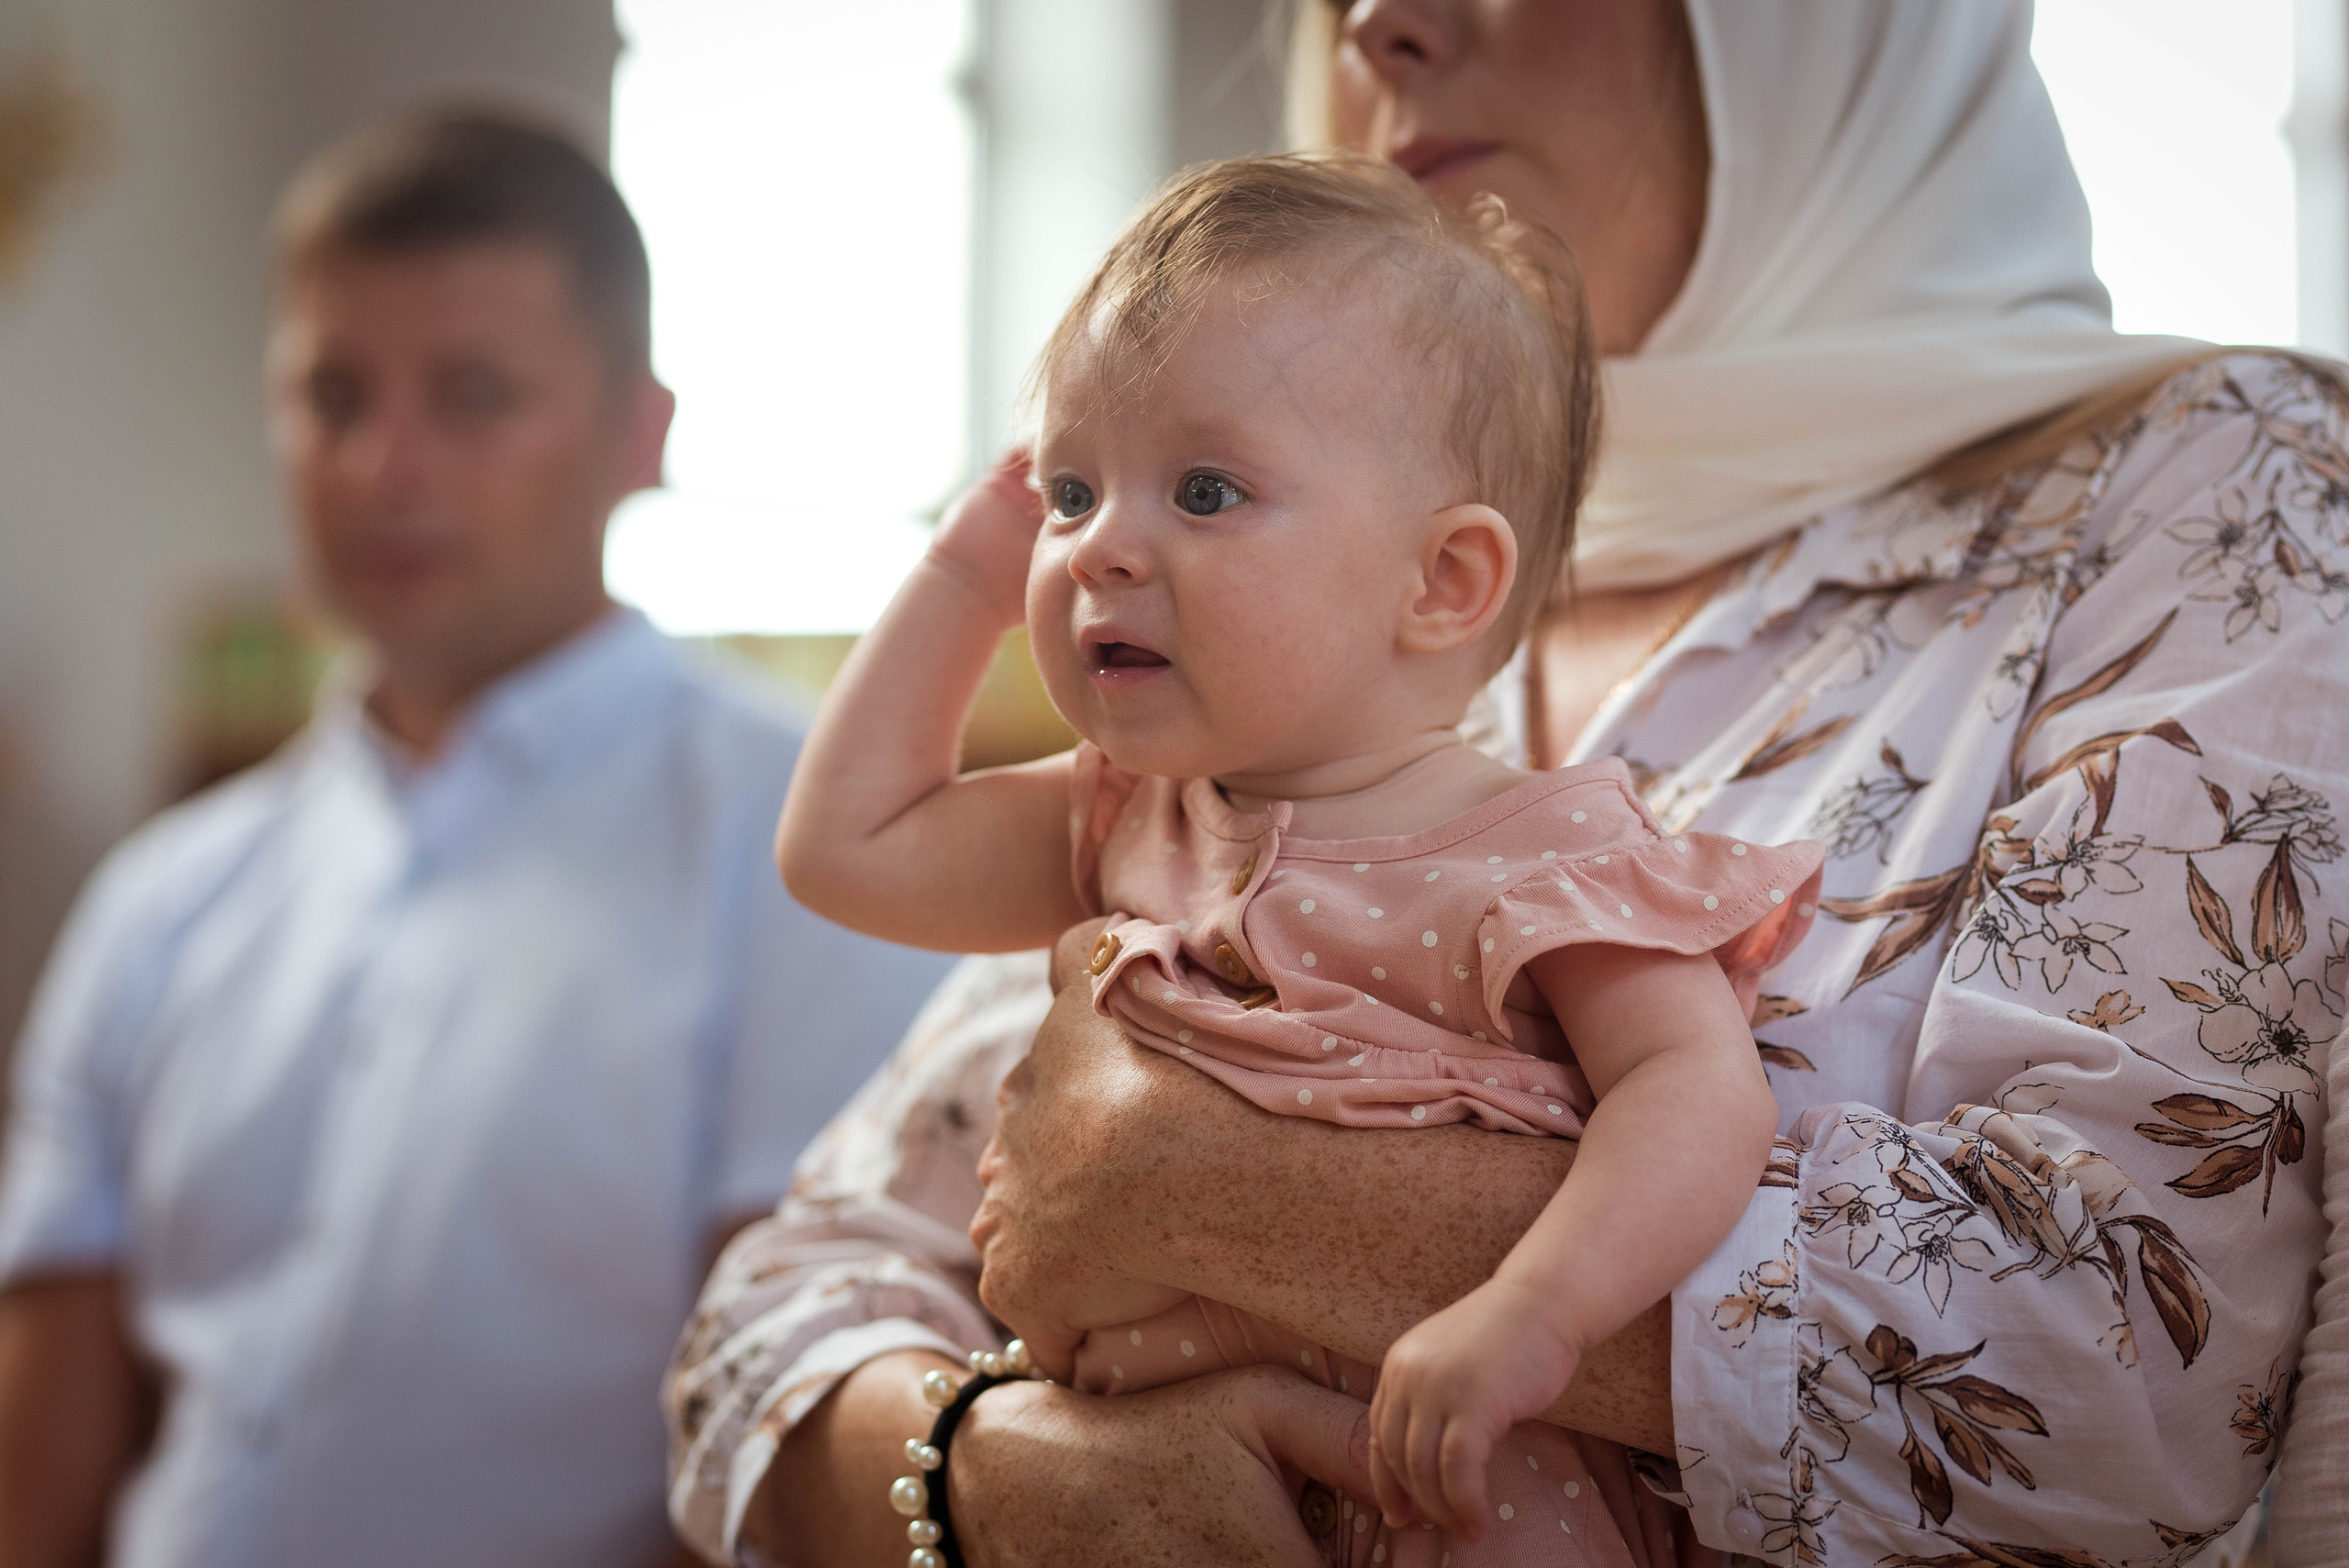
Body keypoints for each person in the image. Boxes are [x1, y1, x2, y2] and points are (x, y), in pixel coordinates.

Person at [665, 3, 2349, 1562]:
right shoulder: (1228, 703)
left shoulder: (2208, 499)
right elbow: (775, 1313)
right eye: (1082, 490)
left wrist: (1204, 1181)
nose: (1377, 21)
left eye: (1198, 485)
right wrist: (992, 1475)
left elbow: (2123, 1385)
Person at [777, 151, 1820, 1564]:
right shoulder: (1128, 815)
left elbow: (1697, 1093)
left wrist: (1537, 1314)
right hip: (1160, 1502)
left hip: (1457, 1484)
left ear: (1442, 582)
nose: (1097, 549)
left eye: (1203, 491)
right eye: (1072, 489)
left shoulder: (1546, 852)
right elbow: (849, 849)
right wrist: (971, 567)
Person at [0, 109, 949, 1568]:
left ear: (641, 433)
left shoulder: (810, 849)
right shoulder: (160, 898)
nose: (387, 466)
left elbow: (792, 1422)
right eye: (332, 395)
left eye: (473, 395)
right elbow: (39, 1457)